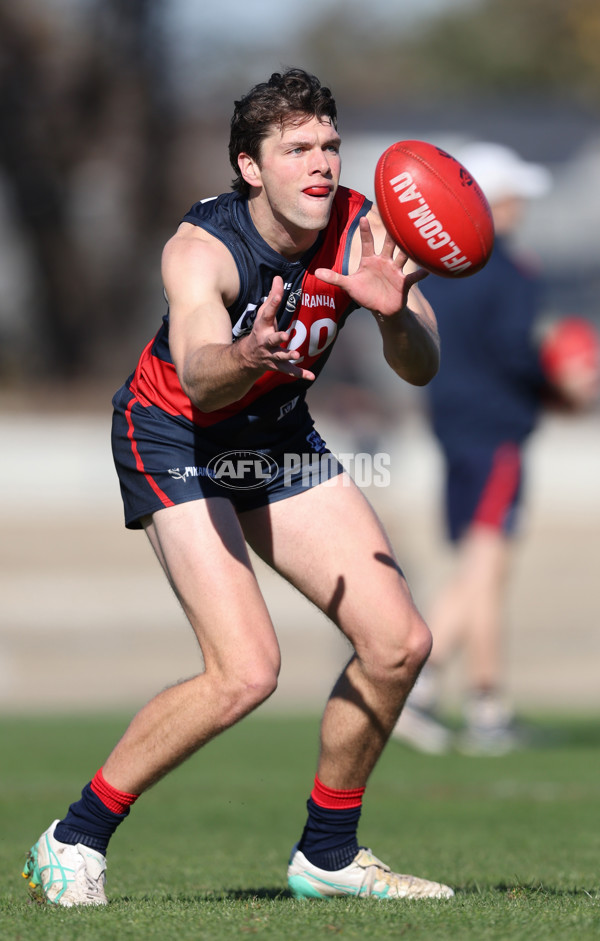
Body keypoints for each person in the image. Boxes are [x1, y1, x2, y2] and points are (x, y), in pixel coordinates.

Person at [22, 68, 454, 905]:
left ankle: (327, 854)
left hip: (275, 438)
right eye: (296, 149)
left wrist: (394, 310)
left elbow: (423, 366)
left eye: (328, 144)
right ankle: (74, 836)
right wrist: (248, 356)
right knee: (246, 670)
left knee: (399, 643)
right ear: (251, 167)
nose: (321, 163)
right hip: (174, 433)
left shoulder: (368, 228)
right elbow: (198, 375)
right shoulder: (202, 248)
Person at [392, 142, 599, 756]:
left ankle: (487, 705)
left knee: (481, 568)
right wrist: (560, 384)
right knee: (484, 568)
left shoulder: (433, 272)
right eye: (511, 196)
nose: (518, 208)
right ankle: (418, 689)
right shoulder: (509, 270)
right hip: (496, 433)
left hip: (452, 428)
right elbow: (514, 351)